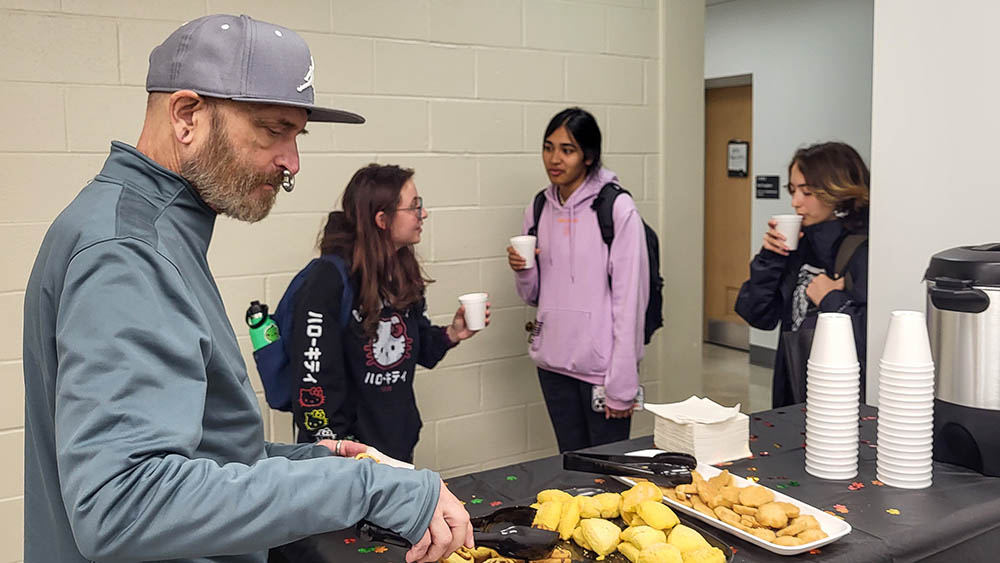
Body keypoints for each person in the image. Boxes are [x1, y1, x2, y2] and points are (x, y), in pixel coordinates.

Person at [21, 14, 470, 563]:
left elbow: (191, 452)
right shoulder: (130, 251)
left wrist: (307, 464)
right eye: (273, 130)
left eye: (297, 135)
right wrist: (367, 489)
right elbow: (124, 504)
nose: (292, 163)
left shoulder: (149, 227)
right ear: (187, 115)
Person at [288, 163, 488, 463]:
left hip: (395, 445)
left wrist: (452, 333)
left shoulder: (402, 270)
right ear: (382, 219)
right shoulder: (327, 280)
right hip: (344, 456)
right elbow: (313, 378)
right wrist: (331, 446)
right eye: (414, 207)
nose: (424, 215)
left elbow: (418, 349)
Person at [507, 107, 649, 453]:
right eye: (548, 147)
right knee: (570, 465)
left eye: (567, 150)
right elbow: (533, 295)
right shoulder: (539, 207)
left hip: (602, 373)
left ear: (588, 156)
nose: (554, 159)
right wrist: (524, 270)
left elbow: (631, 302)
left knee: (607, 474)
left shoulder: (617, 208)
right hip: (553, 364)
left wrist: (622, 385)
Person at [735, 141, 870, 408]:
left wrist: (831, 298)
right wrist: (769, 258)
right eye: (793, 190)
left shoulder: (865, 249)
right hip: (791, 386)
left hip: (839, 398)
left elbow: (871, 336)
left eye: (807, 192)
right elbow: (757, 315)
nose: (795, 202)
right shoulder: (800, 245)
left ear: (838, 191)